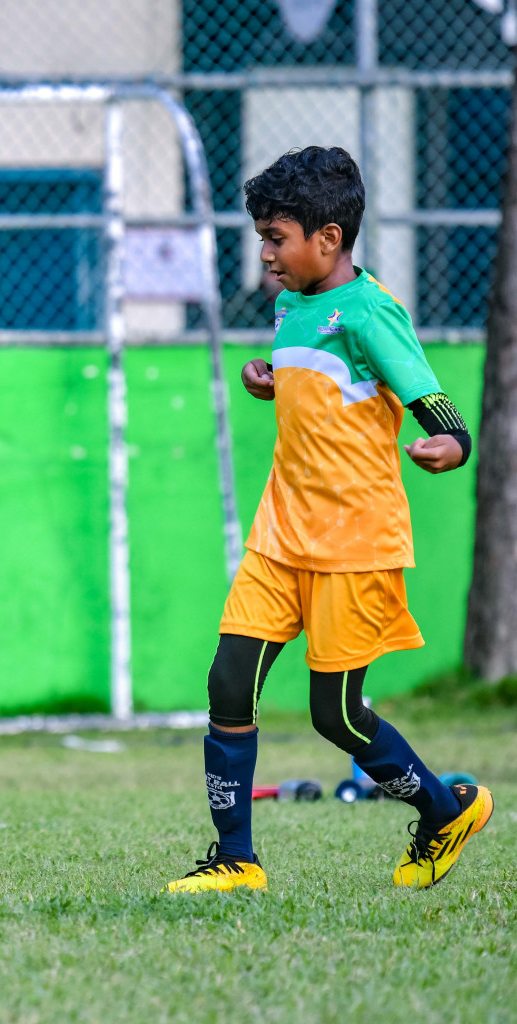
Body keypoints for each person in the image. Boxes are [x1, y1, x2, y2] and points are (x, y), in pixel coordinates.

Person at [167, 147, 494, 893]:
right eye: (261, 237)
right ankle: (236, 861)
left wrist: (453, 440)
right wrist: (267, 377)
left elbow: (425, 394)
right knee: (227, 684)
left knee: (336, 717)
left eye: (276, 238)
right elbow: (314, 379)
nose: (266, 255)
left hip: (355, 543)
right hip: (281, 533)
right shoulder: (290, 300)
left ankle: (446, 810)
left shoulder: (372, 311)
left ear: (329, 238)